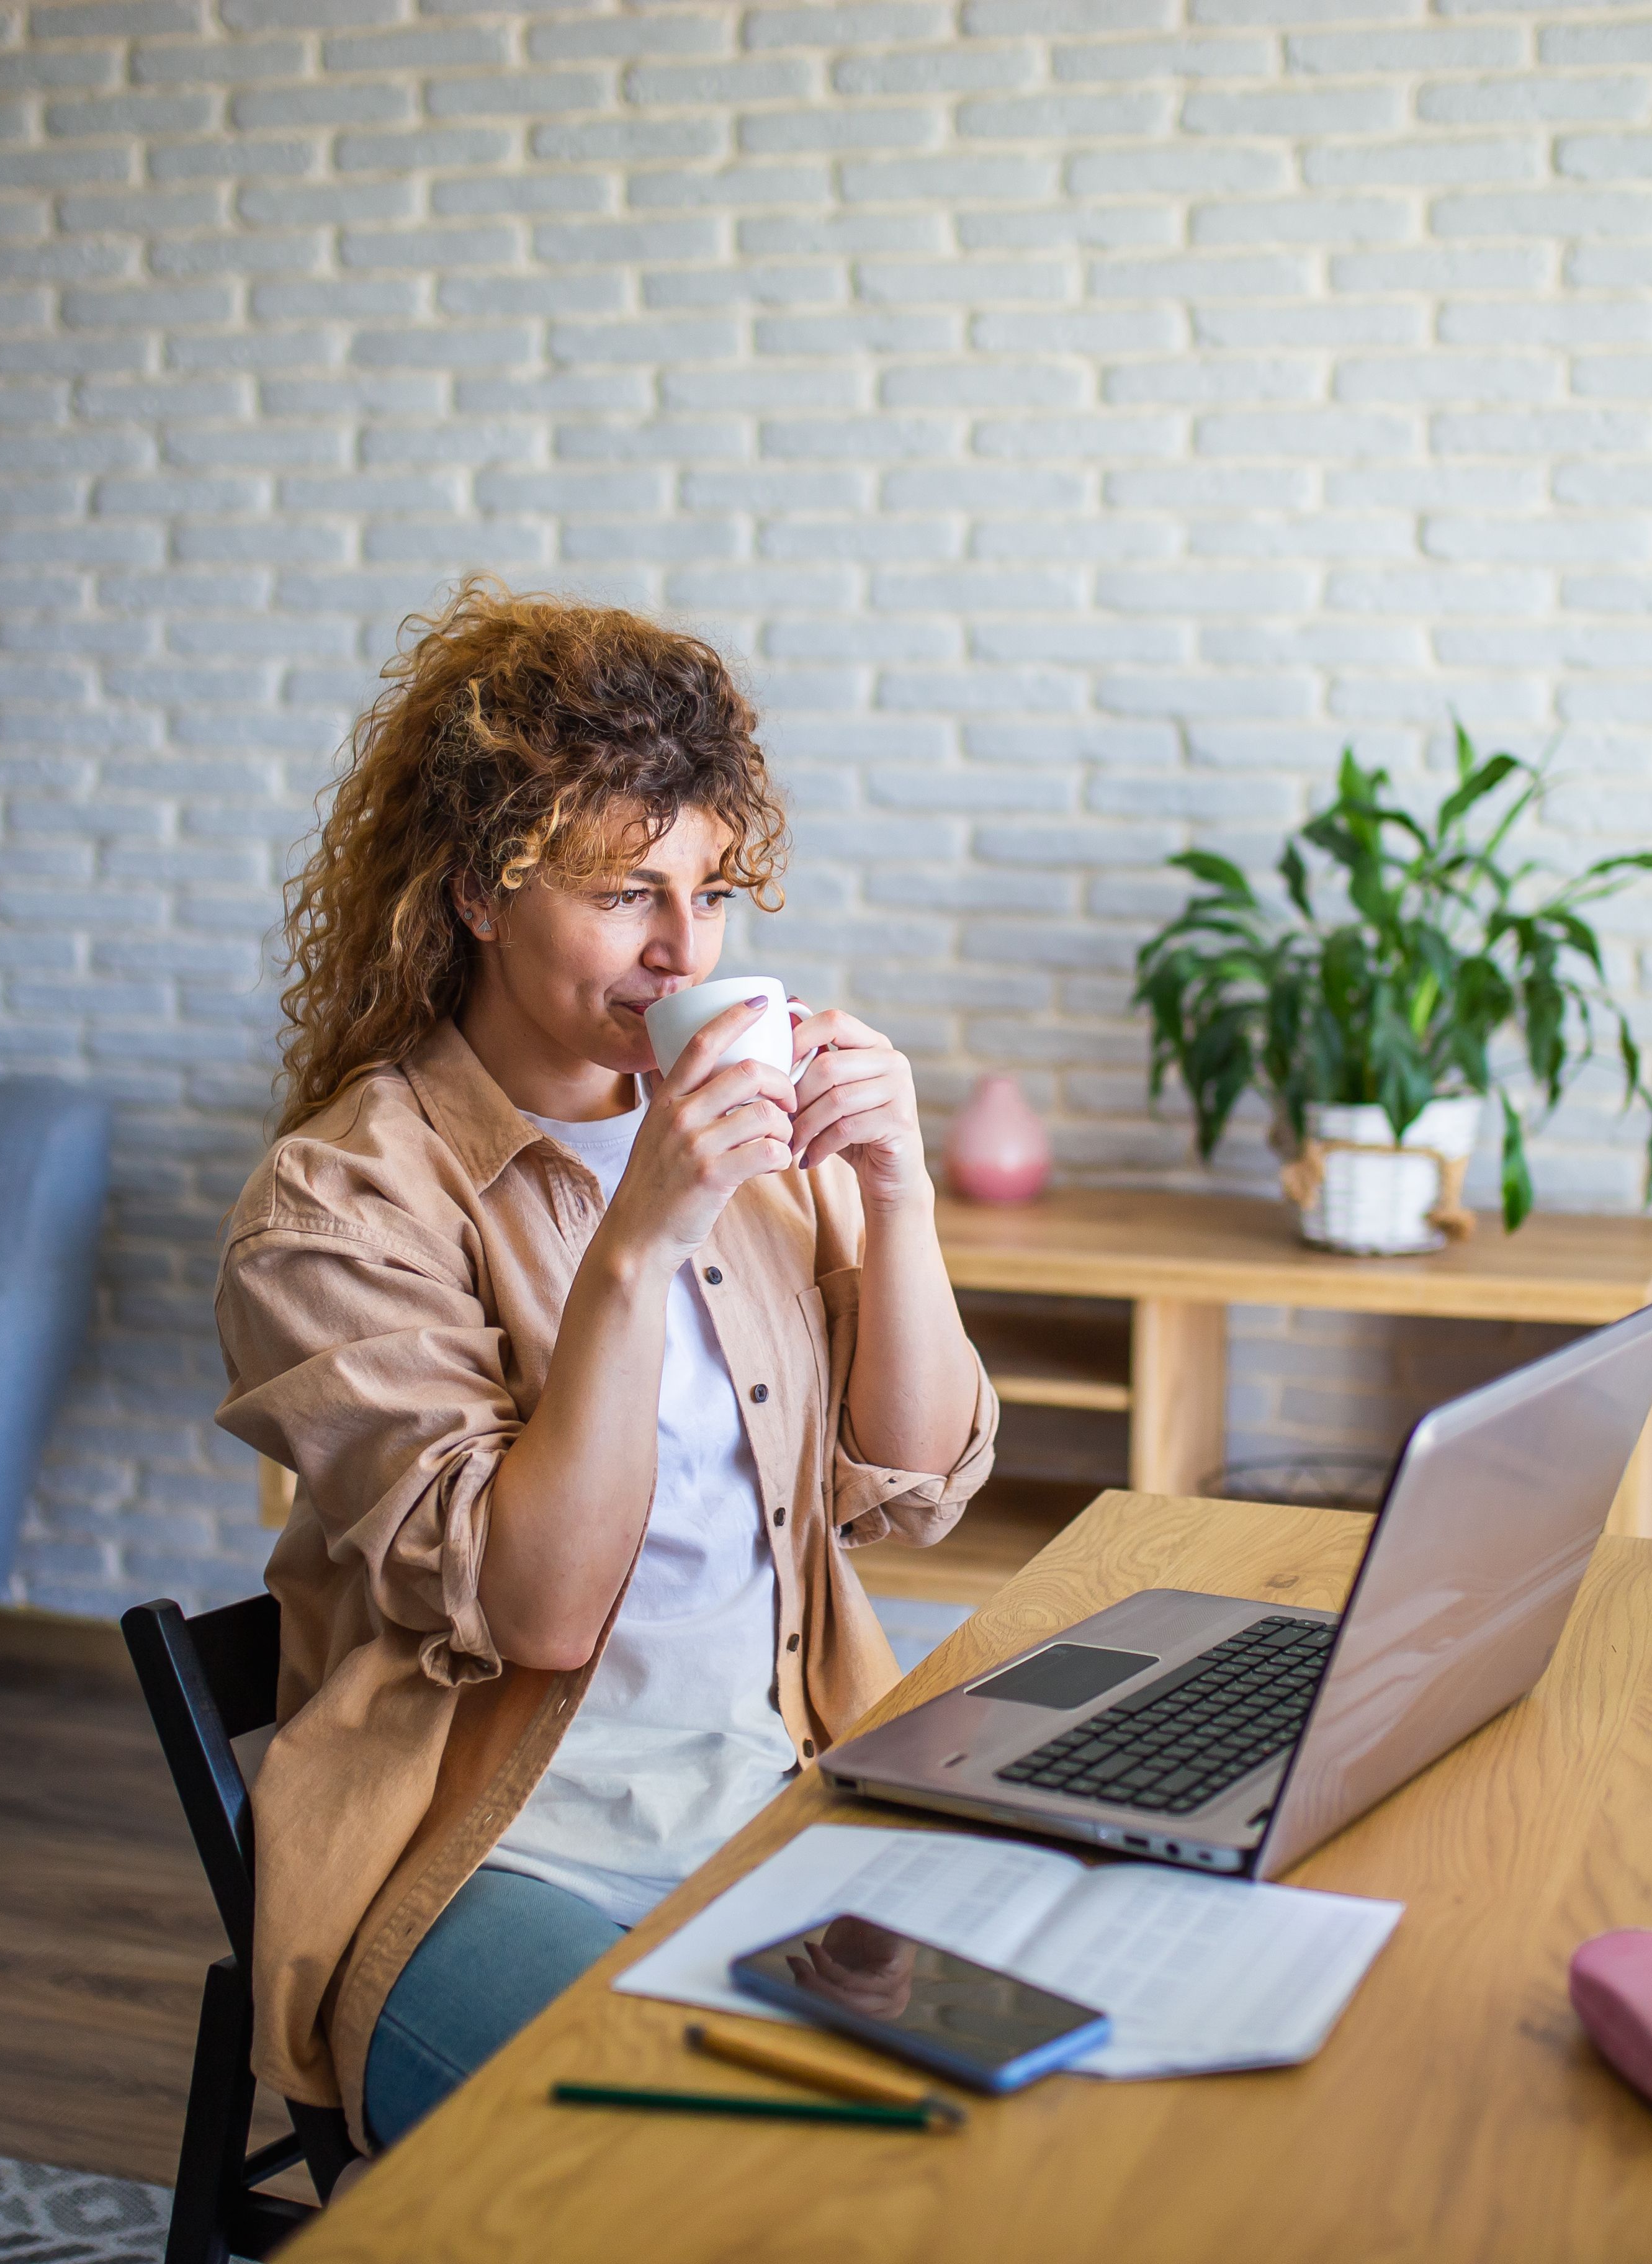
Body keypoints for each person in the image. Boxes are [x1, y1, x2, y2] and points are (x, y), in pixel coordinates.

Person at [213, 580, 997, 2154]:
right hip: (497, 1864)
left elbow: (919, 1488)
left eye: (709, 893)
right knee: (728, 2169)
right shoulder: (338, 1207)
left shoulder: (748, 1140)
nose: (681, 950)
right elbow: (542, 1615)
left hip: (793, 1786)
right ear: (478, 896)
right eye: (627, 891)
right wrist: (636, 1243)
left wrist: (899, 1193)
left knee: (1057, 2095)